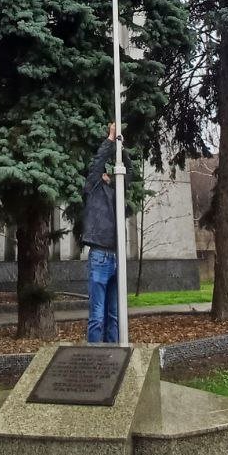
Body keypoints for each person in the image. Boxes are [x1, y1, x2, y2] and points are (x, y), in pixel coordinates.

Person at [81, 123, 131, 344]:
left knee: (114, 315)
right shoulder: (93, 187)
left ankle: (114, 355)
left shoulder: (115, 191)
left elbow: (130, 174)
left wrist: (122, 148)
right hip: (100, 255)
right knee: (97, 315)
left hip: (117, 255)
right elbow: (97, 162)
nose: (106, 173)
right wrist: (111, 138)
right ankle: (95, 354)